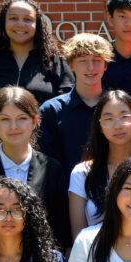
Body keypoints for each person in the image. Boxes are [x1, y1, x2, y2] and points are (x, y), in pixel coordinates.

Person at [0, 86, 69, 249]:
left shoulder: (52, 168)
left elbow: (60, 226)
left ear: (35, 122)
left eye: (21, 118)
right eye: (5, 119)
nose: (13, 126)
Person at [0, 0, 74, 156]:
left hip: (45, 157)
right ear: (3, 23)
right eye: (13, 18)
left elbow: (66, 116)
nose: (20, 24)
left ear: (37, 25)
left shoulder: (55, 64)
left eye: (27, 19)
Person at [67, 90, 131, 239]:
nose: (118, 125)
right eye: (108, 118)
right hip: (94, 258)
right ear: (100, 126)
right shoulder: (82, 173)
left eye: (124, 117)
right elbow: (78, 235)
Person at [38, 33, 113, 177]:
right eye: (83, 61)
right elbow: (44, 163)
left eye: (97, 60)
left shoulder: (118, 108)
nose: (90, 68)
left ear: (105, 65)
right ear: (71, 65)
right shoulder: (51, 111)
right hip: (64, 195)